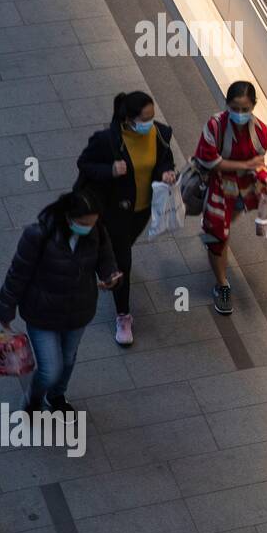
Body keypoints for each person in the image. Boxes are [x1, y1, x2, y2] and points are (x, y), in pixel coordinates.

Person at [0, 190, 121, 417]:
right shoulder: (38, 235)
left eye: (92, 223)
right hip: (42, 314)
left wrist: (110, 276)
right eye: (83, 223)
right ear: (68, 217)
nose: (88, 228)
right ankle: (34, 398)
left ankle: (56, 397)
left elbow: (106, 259)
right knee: (51, 369)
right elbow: (18, 273)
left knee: (69, 359)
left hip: (78, 311)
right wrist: (6, 308)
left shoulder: (97, 231)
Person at [75, 91, 178, 346]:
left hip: (142, 210)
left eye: (152, 117)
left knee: (119, 250)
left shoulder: (160, 134)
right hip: (115, 211)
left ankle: (102, 260)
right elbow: (84, 164)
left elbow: (166, 160)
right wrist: (110, 170)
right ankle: (123, 315)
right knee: (123, 260)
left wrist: (167, 173)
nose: (150, 123)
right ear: (129, 119)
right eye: (145, 119)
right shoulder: (108, 140)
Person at [194, 81, 267, 315]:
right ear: (227, 105)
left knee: (224, 229)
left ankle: (219, 243)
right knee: (217, 236)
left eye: (245, 109)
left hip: (244, 191)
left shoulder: (261, 132)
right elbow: (208, 161)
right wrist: (246, 164)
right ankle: (222, 283)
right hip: (219, 188)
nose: (240, 114)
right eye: (235, 108)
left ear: (253, 106)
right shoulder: (215, 126)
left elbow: (258, 165)